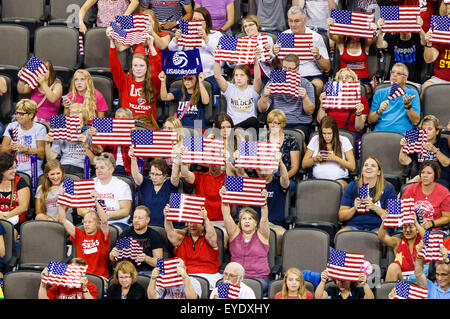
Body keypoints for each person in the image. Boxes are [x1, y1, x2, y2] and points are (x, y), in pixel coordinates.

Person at [108, 27, 161, 130]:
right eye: (135, 66)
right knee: (98, 129)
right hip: (126, 124)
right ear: (131, 67)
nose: (138, 69)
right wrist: (112, 42)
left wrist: (151, 46)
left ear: (147, 68)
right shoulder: (125, 81)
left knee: (136, 134)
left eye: (141, 66)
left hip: (145, 125)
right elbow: (114, 66)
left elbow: (157, 67)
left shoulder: (153, 82)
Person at [220, 187, 271, 293]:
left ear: (256, 222)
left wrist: (264, 202)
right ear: (240, 222)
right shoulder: (234, 234)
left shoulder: (262, 235)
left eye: (250, 219)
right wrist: (223, 199)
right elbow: (226, 216)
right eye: (244, 219)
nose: (247, 221)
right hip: (235, 277)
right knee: (222, 288)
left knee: (243, 289)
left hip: (259, 279)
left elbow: (264, 218)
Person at [273, 6, 331, 98]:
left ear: (304, 21)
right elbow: (276, 66)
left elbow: (327, 68)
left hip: (310, 75)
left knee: (317, 84)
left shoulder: (315, 37)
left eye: (296, 21)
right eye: (290, 21)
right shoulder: (285, 36)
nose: (293, 24)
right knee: (271, 84)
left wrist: (318, 56)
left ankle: (310, 111)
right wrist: (275, 56)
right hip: (287, 74)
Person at [257, 54, 316, 141]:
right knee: (265, 138)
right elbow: (261, 109)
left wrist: (305, 98)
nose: (287, 71)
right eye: (284, 68)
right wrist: (265, 96)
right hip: (277, 122)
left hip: (299, 123)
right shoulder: (274, 81)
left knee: (295, 138)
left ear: (297, 68)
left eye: (290, 69)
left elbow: (310, 111)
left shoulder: (305, 83)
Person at [168, 6, 223, 96]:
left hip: (208, 74)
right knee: (176, 86)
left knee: (214, 87)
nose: (196, 22)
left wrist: (205, 38)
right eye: (194, 19)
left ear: (207, 22)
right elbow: (171, 48)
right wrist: (176, 38)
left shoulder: (216, 34)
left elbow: (219, 52)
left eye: (200, 20)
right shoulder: (186, 33)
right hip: (187, 74)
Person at [164, 205, 222, 288]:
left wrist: (205, 218)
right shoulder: (181, 238)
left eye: (195, 222)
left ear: (203, 224)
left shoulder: (209, 237)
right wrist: (167, 217)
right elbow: (170, 232)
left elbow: (212, 234)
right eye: (189, 222)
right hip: (186, 275)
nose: (192, 225)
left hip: (209, 275)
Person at [338, 156, 397, 233]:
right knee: (340, 235)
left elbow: (394, 218)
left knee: (374, 238)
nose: (368, 167)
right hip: (354, 225)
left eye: (373, 166)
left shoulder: (389, 188)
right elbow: (341, 217)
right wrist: (354, 209)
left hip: (378, 226)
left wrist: (375, 208)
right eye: (366, 165)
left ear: (379, 172)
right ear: (362, 170)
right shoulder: (352, 186)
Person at [317, 68, 369, 151]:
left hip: (351, 133)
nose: (344, 79)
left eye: (347, 77)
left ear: (354, 80)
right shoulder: (330, 97)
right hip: (330, 133)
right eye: (340, 78)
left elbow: (359, 127)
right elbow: (321, 121)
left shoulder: (361, 99)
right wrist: (321, 105)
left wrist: (358, 114)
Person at [57, 198, 110, 279]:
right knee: (50, 269)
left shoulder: (102, 235)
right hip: (81, 277)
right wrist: (60, 200)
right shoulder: (79, 235)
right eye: (85, 222)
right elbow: (63, 219)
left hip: (99, 278)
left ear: (97, 224)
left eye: (90, 222)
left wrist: (95, 201)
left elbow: (104, 221)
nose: (86, 225)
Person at [78, 152, 133, 230]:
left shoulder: (122, 185)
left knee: (105, 231)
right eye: (97, 168)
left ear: (111, 169)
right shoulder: (88, 184)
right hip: (92, 222)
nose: (98, 170)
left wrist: (107, 215)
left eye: (102, 167)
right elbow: (80, 210)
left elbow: (125, 211)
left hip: (115, 223)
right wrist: (95, 216)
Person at [214, 50, 263, 130]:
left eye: (242, 75)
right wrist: (217, 59)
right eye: (236, 75)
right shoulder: (229, 88)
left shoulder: (253, 89)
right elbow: (217, 76)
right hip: (232, 125)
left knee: (253, 120)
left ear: (248, 77)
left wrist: (256, 62)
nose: (238, 78)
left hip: (249, 127)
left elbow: (257, 79)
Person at [302, 116, 356, 189]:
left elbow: (352, 167)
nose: (326, 136)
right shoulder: (315, 140)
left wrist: (335, 158)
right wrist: (315, 159)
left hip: (339, 180)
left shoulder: (344, 141)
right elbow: (304, 164)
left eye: (329, 133)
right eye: (324, 133)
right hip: (317, 179)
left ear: (335, 132)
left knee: (339, 187)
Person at [327, 17, 377, 94]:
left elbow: (372, 38)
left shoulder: (365, 44)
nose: (354, 35)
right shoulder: (342, 44)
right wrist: (330, 26)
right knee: (329, 89)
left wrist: (373, 30)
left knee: (359, 90)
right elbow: (332, 36)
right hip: (344, 79)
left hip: (362, 81)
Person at [129, 150, 179, 227]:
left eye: (157, 175)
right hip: (146, 227)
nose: (154, 177)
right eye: (152, 174)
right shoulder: (146, 183)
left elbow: (175, 177)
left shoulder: (170, 184)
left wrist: (176, 160)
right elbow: (136, 176)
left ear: (165, 175)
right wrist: (133, 158)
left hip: (166, 228)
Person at [399, 115, 450, 189]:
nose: (425, 132)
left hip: (439, 179)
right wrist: (403, 147)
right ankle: (394, 200)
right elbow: (404, 161)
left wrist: (434, 150)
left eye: (430, 129)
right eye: (423, 129)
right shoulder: (416, 142)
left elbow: (446, 163)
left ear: (437, 131)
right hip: (421, 177)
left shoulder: (443, 141)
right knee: (404, 189)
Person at [368, 62, 420, 134]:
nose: (394, 75)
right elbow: (370, 120)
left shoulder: (412, 93)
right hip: (380, 133)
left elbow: (416, 122)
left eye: (398, 73)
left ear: (405, 78)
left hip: (404, 135)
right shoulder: (379, 93)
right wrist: (379, 111)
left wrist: (408, 106)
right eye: (392, 72)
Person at [45, 103, 96, 176]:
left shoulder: (90, 132)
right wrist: (47, 144)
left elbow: (93, 162)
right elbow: (51, 159)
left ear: (84, 116)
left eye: (78, 112)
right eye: (72, 112)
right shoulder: (61, 131)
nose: (75, 114)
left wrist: (85, 145)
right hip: (63, 167)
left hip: (81, 168)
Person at [109, 206, 164, 274]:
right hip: (127, 271)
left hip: (146, 272)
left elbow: (159, 263)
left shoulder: (154, 235)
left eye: (140, 218)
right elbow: (113, 258)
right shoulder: (127, 233)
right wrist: (113, 254)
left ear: (147, 220)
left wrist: (146, 258)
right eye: (135, 217)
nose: (136, 220)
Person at [0, 99, 46, 177]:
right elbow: (2, 151)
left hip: (33, 170)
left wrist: (25, 149)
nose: (17, 116)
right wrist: (11, 147)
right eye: (17, 113)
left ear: (31, 115)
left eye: (21, 114)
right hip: (12, 169)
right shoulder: (11, 126)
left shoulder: (40, 128)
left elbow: (41, 154)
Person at [376, 16, 426, 85]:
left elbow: (425, 42)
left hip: (412, 81)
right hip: (392, 79)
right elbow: (380, 45)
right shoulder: (392, 37)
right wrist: (381, 31)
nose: (404, 28)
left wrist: (420, 28)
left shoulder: (416, 36)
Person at [402, 160, 450, 230]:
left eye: (429, 173)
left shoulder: (444, 192)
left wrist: (432, 223)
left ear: (435, 175)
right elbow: (402, 209)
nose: (425, 176)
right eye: (423, 173)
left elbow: (447, 217)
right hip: (412, 230)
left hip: (433, 231)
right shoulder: (411, 189)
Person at [378, 216, 426, 282]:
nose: (407, 230)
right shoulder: (398, 242)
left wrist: (416, 222)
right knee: (393, 267)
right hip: (402, 280)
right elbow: (382, 237)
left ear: (417, 229)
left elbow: (429, 239)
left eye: (411, 227)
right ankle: (390, 292)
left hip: (420, 280)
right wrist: (384, 222)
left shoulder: (423, 242)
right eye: (405, 227)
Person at [90, 108, 135, 176]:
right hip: (108, 166)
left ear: (130, 120)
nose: (120, 120)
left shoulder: (136, 133)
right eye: (118, 117)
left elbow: (140, 154)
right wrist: (95, 137)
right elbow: (99, 151)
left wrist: (133, 137)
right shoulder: (108, 131)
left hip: (127, 169)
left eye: (123, 117)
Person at [17, 60, 62, 125]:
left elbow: (53, 99)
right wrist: (22, 79)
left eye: (45, 69)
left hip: (51, 122)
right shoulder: (34, 83)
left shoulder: (57, 84)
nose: (42, 72)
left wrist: (43, 83)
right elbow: (22, 90)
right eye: (40, 69)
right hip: (33, 120)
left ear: (50, 72)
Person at [266, 109, 300, 191]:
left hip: (285, 176)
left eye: (276, 123)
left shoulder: (291, 140)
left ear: (282, 124)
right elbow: (257, 163)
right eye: (270, 122)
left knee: (279, 185)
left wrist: (284, 178)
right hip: (266, 176)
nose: (273, 125)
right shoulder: (262, 138)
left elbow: (294, 167)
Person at [0, 152, 30, 232]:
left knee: (9, 234)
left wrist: (5, 216)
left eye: (15, 167)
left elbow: (23, 207)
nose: (15, 171)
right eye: (11, 168)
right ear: (2, 169)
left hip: (16, 222)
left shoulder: (20, 181)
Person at [239, 14, 275, 81]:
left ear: (257, 25)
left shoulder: (267, 38)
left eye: (251, 25)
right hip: (245, 76)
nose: (248, 28)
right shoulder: (241, 40)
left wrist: (268, 53)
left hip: (263, 74)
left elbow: (272, 62)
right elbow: (233, 65)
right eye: (245, 26)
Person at [421, 26, 450, 101]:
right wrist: (429, 44)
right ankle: (419, 112)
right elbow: (428, 60)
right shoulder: (441, 34)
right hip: (440, 79)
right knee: (426, 88)